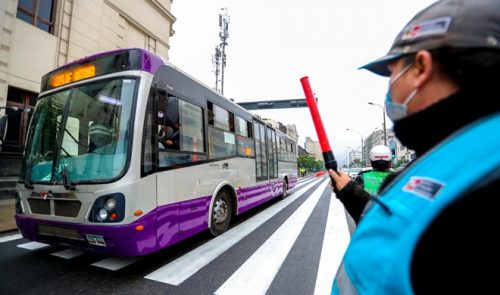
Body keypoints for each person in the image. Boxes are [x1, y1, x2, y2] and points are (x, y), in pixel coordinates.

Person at [328, 1, 500, 294]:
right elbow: (404, 223)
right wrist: (350, 194)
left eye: (393, 73)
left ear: (421, 67)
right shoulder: (455, 151)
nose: (390, 89)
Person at [333, 145, 393, 223]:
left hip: (367, 222)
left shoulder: (362, 177)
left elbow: (354, 203)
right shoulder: (401, 177)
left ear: (371, 162)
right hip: (393, 222)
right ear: (390, 163)